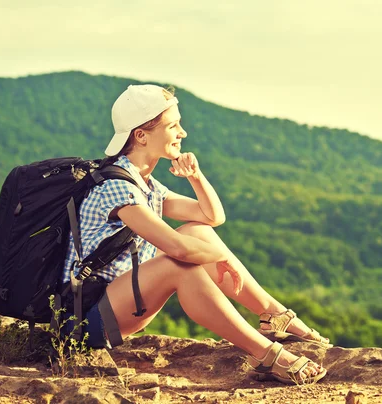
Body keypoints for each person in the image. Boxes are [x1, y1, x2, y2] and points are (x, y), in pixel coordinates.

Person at [61, 84, 330, 384]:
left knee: (197, 232)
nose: (182, 133)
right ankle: (265, 353)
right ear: (141, 136)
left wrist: (195, 176)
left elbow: (211, 217)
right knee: (180, 266)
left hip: (118, 303)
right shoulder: (117, 188)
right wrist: (217, 258)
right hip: (87, 319)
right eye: (173, 125)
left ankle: (273, 314)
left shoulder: (143, 183)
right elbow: (179, 250)